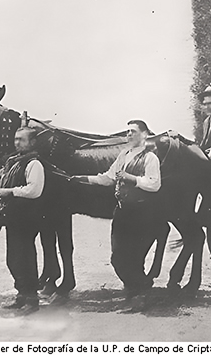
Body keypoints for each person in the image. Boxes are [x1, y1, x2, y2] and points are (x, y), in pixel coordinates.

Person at [72, 120, 162, 303]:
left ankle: (138, 294)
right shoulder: (123, 155)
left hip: (141, 212)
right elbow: (108, 178)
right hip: (122, 211)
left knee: (134, 256)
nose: (129, 135)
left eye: (134, 132)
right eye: (128, 132)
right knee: (117, 258)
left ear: (145, 134)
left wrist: (132, 178)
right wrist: (82, 179)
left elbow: (154, 184)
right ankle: (140, 286)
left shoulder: (150, 158)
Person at [0, 127, 46, 314]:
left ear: (32, 143)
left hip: (27, 218)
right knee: (13, 259)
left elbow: (34, 190)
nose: (17, 143)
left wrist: (10, 192)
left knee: (24, 258)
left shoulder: (34, 164)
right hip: (14, 217)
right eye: (15, 139)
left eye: (21, 140)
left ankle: (31, 300)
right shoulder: (14, 162)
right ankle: (22, 295)